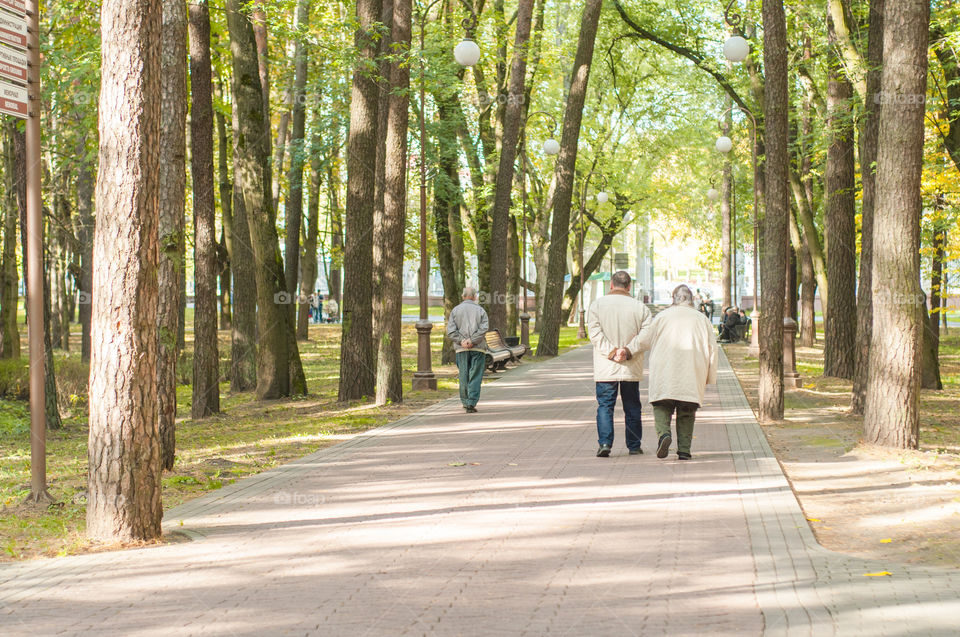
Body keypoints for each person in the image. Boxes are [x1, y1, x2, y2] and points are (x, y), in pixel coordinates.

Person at [637, 284, 718, 460]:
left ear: (674, 299)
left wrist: (627, 350)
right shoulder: (702, 319)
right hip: (692, 371)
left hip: (664, 371)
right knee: (687, 411)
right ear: (692, 300)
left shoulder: (662, 316)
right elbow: (713, 349)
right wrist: (709, 377)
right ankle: (684, 450)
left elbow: (644, 340)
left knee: (661, 405)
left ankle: (664, 435)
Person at [587, 271, 653, 457]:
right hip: (630, 365)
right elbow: (647, 335)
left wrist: (611, 351)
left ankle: (605, 443)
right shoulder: (640, 307)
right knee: (632, 405)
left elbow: (594, 333)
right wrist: (628, 350)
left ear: (611, 285)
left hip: (605, 365)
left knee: (605, 405)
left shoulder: (597, 306)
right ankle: (633, 445)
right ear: (629, 286)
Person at [447, 287, 489, 413]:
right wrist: (473, 340)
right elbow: (484, 328)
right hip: (478, 348)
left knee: (463, 375)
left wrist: (462, 341)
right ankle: (471, 402)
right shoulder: (481, 310)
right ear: (475, 297)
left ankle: (465, 401)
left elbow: (451, 331)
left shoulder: (455, 310)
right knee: (475, 375)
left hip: (461, 349)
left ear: (462, 296)